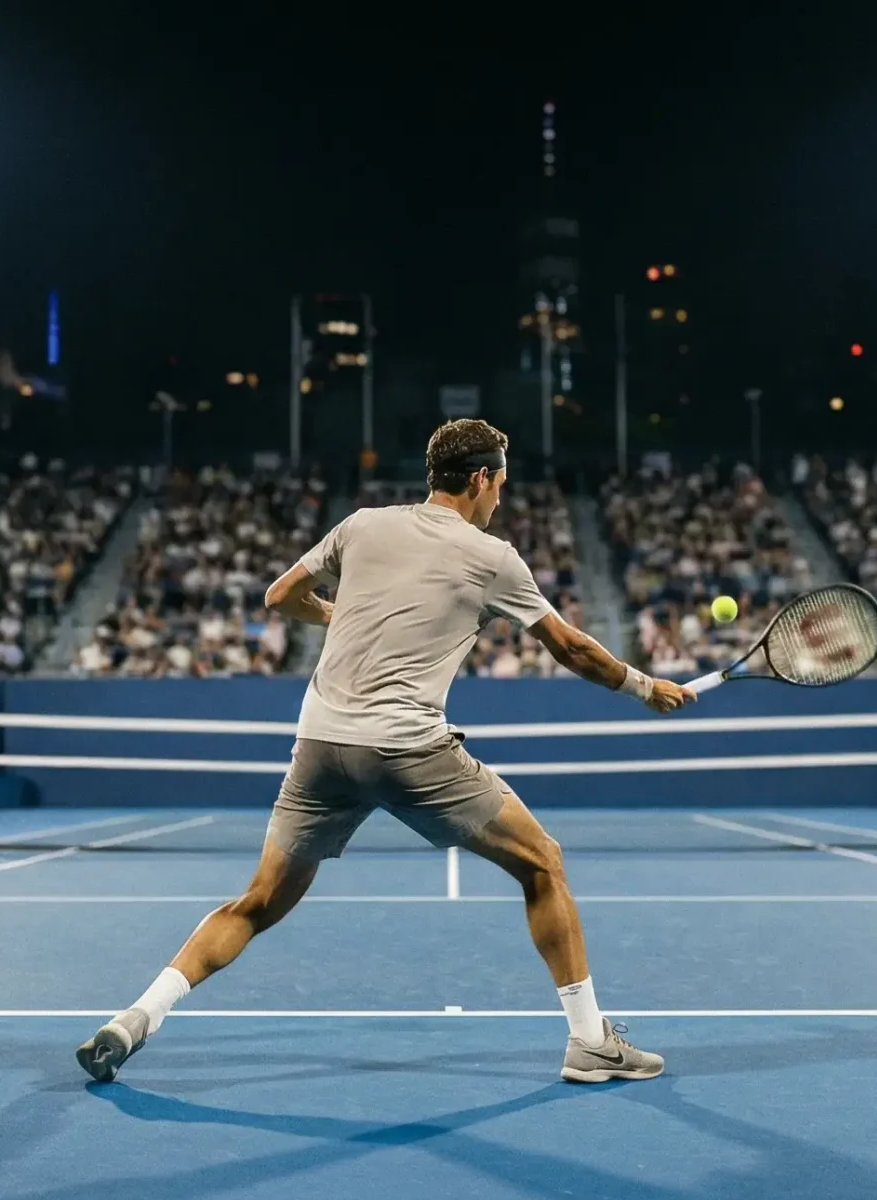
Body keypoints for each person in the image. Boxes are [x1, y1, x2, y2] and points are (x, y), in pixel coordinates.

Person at [76, 419, 695, 1085]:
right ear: (482, 478)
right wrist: (643, 684)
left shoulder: (362, 524)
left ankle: (135, 1017)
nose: (501, 500)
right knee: (543, 863)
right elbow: (568, 645)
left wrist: (342, 614)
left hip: (320, 743)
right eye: (501, 485)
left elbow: (280, 596)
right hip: (405, 748)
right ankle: (590, 1041)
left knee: (255, 903)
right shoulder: (494, 556)